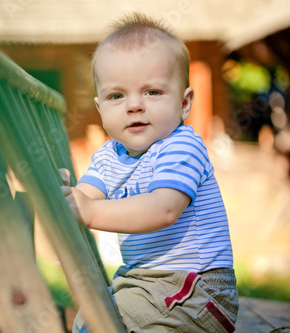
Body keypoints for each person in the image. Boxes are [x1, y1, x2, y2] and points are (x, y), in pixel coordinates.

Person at [60, 12, 239, 332]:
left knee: (101, 326)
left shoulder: (182, 146)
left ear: (184, 103)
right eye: (117, 95)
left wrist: (87, 211)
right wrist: (62, 194)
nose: (134, 105)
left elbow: (164, 209)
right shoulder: (109, 156)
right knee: (88, 322)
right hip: (144, 283)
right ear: (101, 109)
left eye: (152, 92)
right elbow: (85, 194)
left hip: (197, 289)